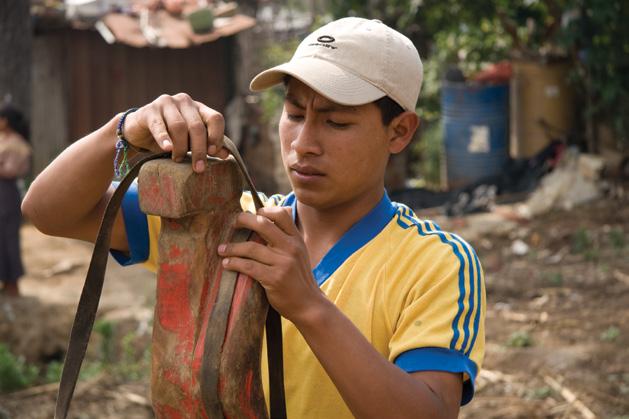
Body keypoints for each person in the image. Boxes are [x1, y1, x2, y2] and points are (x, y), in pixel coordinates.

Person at [23, 17, 485, 418]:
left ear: (399, 131)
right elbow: (47, 211)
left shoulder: (435, 263)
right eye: (294, 113)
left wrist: (308, 306)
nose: (303, 142)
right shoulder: (226, 223)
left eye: (336, 122)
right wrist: (124, 130)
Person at [0, 104, 31, 297]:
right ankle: (4, 280)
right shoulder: (4, 140)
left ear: (6, 121)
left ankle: (13, 284)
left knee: (9, 237)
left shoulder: (18, 144)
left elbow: (10, 171)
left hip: (7, 194)